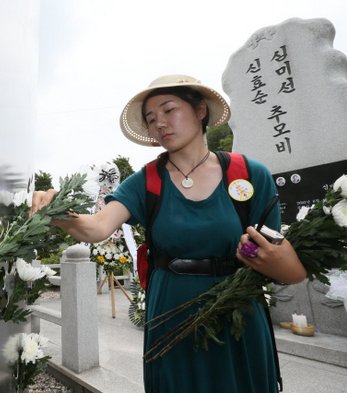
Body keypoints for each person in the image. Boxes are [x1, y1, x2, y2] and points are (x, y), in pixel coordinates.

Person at [31, 75, 306, 393]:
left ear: (200, 110)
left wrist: (261, 255)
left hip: (238, 312)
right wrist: (60, 214)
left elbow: (274, 251)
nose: (159, 124)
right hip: (171, 311)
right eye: (150, 119)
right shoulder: (146, 181)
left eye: (168, 110)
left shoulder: (249, 173)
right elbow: (98, 226)